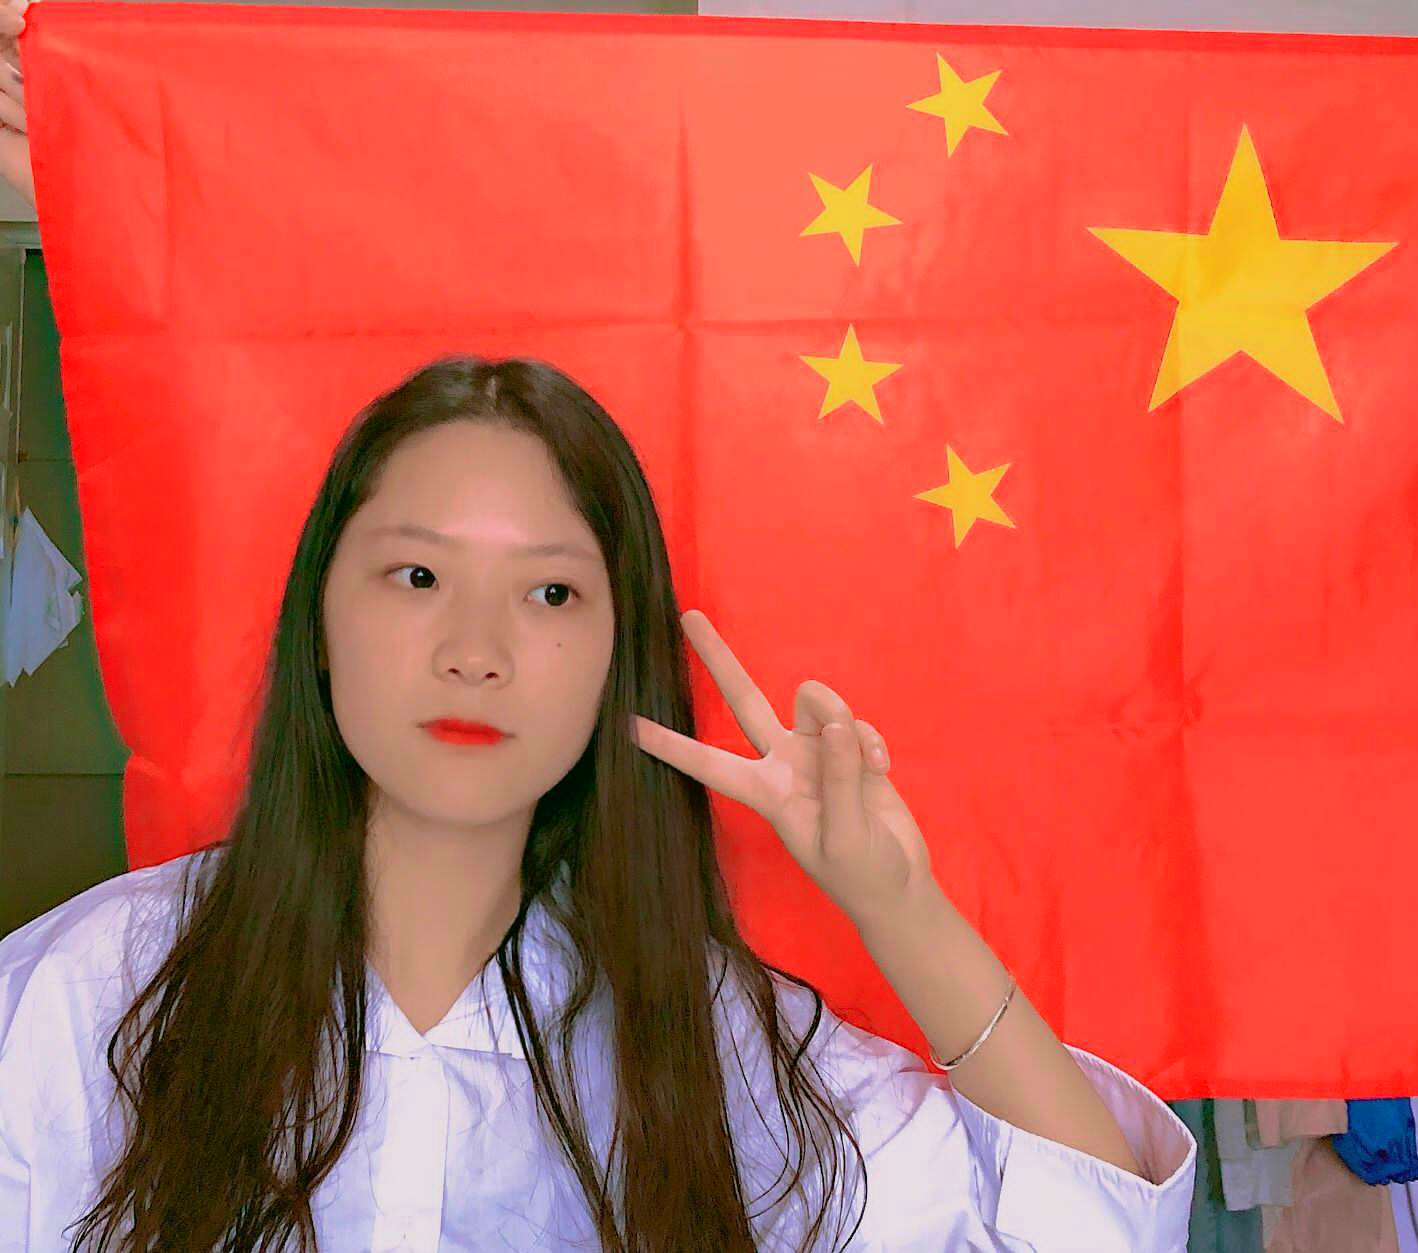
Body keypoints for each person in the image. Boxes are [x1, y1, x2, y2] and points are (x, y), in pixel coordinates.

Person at [0, 8, 1199, 1249]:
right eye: (416, 574)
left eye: (551, 593)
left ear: (619, 660)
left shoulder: (705, 1038)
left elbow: (1085, 1229)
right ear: (318, 621)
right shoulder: (90, 993)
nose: (476, 649)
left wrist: (898, 905)